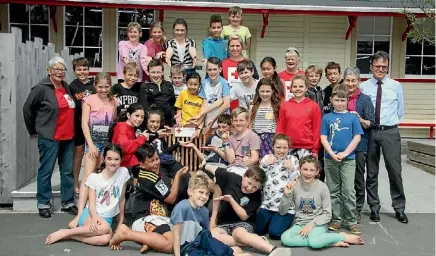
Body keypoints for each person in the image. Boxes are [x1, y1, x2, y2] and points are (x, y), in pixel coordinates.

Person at [108, 144, 189, 253]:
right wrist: (178, 176)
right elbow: (171, 199)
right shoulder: (150, 178)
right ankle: (126, 233)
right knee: (171, 245)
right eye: (151, 161)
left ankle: (150, 242)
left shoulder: (151, 172)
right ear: (142, 164)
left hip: (161, 218)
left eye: (157, 159)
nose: (156, 163)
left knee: (184, 238)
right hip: (146, 218)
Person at [23, 56, 77, 218]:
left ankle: (68, 202)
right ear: (49, 71)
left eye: (62, 69)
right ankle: (43, 203)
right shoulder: (41, 88)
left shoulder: (65, 86)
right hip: (49, 136)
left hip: (68, 137)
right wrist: (34, 130)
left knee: (67, 171)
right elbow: (27, 109)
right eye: (56, 69)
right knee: (46, 170)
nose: (59, 72)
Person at [45, 144, 130, 246]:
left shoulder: (123, 172)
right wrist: (94, 217)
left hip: (107, 218)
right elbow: (92, 203)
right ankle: (65, 232)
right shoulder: (94, 177)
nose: (113, 162)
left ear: (121, 160)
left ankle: (71, 236)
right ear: (103, 159)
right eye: (109, 158)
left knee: (106, 239)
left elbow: (121, 199)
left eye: (116, 159)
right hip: (90, 214)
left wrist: (120, 221)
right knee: (106, 229)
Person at [359, 51, 408, 224]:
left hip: (390, 132)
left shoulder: (395, 86)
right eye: (377, 66)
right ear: (371, 66)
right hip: (371, 132)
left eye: (384, 67)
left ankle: (399, 207)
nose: (380, 69)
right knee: (371, 172)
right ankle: (374, 207)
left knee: (395, 171)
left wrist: (391, 124)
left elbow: (400, 110)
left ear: (388, 67)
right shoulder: (364, 86)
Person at [204, 165, 292, 256]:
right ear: (244, 176)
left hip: (244, 223)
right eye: (249, 183)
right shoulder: (230, 177)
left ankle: (274, 249)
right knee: (210, 236)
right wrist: (204, 165)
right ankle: (252, 241)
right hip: (224, 223)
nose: (250, 188)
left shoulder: (257, 195)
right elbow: (215, 170)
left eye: (255, 187)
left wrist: (231, 200)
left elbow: (244, 216)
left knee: (238, 234)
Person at [280, 156, 364, 249]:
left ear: (317, 172)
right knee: (285, 239)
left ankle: (342, 236)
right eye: (305, 169)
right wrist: (286, 195)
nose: (308, 173)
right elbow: (282, 211)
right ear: (299, 169)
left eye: (312, 170)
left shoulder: (322, 187)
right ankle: (328, 241)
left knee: (315, 243)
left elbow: (327, 214)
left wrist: (311, 225)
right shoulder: (294, 185)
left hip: (318, 224)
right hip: (300, 224)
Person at [69, 73, 119, 229]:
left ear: (110, 86)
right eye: (100, 86)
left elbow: (114, 123)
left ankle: (100, 207)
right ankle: (79, 214)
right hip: (94, 142)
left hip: (107, 144)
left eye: (106, 87)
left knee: (102, 176)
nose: (103, 90)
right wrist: (90, 145)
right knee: (88, 177)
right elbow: (84, 123)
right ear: (95, 85)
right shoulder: (88, 100)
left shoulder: (113, 101)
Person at [171, 172, 250, 256]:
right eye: (201, 192)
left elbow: (206, 236)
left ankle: (230, 252)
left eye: (207, 194)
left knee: (210, 241)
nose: (204, 196)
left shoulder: (204, 211)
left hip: (199, 241)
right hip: (185, 246)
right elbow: (176, 235)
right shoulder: (182, 207)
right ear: (190, 191)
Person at [320, 85, 363, 234]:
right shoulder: (327, 118)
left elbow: (357, 137)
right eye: (336, 100)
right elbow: (323, 137)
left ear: (347, 100)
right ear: (331, 100)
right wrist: (331, 153)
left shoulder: (352, 117)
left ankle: (351, 220)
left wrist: (345, 153)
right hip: (330, 158)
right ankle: (337, 219)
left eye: (342, 100)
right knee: (333, 190)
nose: (339, 103)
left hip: (348, 159)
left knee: (348, 190)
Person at [343, 66, 375, 224]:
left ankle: (357, 208)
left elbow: (371, 123)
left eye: (353, 80)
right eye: (348, 80)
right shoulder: (340, 97)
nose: (350, 84)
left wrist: (359, 119)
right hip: (342, 144)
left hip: (359, 145)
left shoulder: (365, 99)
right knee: (342, 178)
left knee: (357, 177)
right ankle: (344, 207)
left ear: (358, 81)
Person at [255, 134, 299, 240]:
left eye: (285, 148)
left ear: (289, 148)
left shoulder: (293, 159)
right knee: (258, 231)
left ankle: (288, 221)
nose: (281, 150)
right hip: (268, 204)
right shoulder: (267, 158)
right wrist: (265, 164)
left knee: (274, 234)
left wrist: (292, 169)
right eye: (278, 147)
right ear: (273, 147)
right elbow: (258, 177)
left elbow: (298, 180)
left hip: (285, 207)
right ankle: (272, 220)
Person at [145, 108, 191, 203]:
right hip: (158, 164)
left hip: (169, 161)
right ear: (146, 121)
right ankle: (171, 205)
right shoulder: (145, 135)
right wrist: (156, 135)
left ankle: (182, 203)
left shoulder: (161, 135)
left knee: (186, 176)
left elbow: (165, 152)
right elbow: (142, 146)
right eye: (152, 121)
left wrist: (177, 144)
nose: (155, 124)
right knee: (165, 184)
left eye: (157, 122)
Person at [276, 75, 321, 160]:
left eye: (301, 86)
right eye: (295, 86)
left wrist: (315, 149)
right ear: (291, 89)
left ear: (306, 88)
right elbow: (280, 127)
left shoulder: (313, 106)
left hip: (307, 148)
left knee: (306, 173)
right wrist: (279, 145)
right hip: (288, 147)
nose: (298, 89)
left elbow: (317, 129)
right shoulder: (285, 106)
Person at [69, 57, 96, 193]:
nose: (82, 72)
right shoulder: (72, 86)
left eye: (85, 69)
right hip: (78, 124)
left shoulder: (94, 85)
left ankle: (93, 182)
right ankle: (75, 183)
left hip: (94, 125)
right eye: (79, 69)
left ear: (89, 70)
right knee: (78, 154)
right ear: (74, 71)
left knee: (94, 153)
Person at [192, 57, 230, 131]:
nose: (212, 72)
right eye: (210, 69)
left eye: (215, 69)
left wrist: (213, 119)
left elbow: (226, 104)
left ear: (220, 69)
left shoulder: (224, 83)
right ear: (206, 70)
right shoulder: (204, 83)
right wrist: (200, 121)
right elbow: (204, 105)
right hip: (208, 121)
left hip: (222, 122)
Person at [110, 103, 149, 168]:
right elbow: (125, 147)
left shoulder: (133, 128)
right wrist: (142, 138)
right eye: (137, 116)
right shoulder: (122, 127)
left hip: (131, 164)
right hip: (122, 167)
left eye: (142, 117)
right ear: (128, 115)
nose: (139, 119)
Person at [224, 107, 260, 176]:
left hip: (246, 168)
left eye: (241, 120)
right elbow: (231, 160)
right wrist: (225, 142)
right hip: (233, 168)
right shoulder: (230, 138)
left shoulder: (253, 136)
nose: (238, 123)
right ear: (231, 121)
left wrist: (249, 161)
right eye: (235, 120)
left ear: (247, 121)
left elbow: (255, 158)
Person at [250, 78, 282, 157]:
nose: (265, 94)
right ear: (258, 91)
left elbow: (279, 126)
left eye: (268, 91)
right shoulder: (252, 107)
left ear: (273, 91)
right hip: (256, 140)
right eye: (262, 91)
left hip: (271, 141)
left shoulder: (277, 107)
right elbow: (249, 127)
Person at [140, 59, 176, 126]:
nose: (156, 75)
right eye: (153, 72)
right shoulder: (144, 86)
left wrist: (173, 120)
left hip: (168, 124)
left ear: (162, 72)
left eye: (158, 72)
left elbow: (173, 104)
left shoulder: (168, 85)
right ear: (148, 72)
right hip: (152, 124)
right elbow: (144, 107)